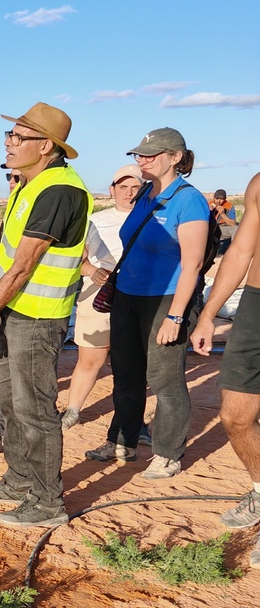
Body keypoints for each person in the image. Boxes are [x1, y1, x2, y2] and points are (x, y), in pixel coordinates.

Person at [0, 103, 91, 529]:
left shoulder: (59, 191)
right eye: (9, 136)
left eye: (18, 137)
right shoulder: (31, 184)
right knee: (11, 401)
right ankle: (18, 481)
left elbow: (23, 266)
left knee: (35, 410)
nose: (8, 144)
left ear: (46, 145)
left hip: (39, 317)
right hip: (17, 312)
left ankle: (48, 502)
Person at [86, 128, 209, 480]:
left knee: (164, 379)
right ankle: (122, 441)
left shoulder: (188, 200)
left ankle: (168, 454)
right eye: (140, 154)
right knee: (126, 374)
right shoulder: (145, 193)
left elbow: (192, 264)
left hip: (165, 299)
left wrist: (176, 315)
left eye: (151, 154)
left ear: (175, 157)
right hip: (127, 297)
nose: (142, 159)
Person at [191, 172, 260, 545]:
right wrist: (208, 315)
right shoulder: (259, 184)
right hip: (256, 305)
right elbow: (239, 252)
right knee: (235, 416)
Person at [60, 165, 142, 427]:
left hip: (138, 296)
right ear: (112, 190)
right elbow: (76, 259)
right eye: (123, 187)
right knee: (89, 360)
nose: (129, 193)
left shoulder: (153, 220)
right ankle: (72, 411)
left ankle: (132, 421)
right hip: (99, 295)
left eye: (135, 187)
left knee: (132, 364)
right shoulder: (94, 221)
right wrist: (92, 271)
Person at [211, 188, 238, 257]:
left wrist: (222, 214)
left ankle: (234, 252)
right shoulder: (208, 205)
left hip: (222, 228)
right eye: (217, 198)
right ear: (214, 198)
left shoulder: (229, 206)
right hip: (210, 228)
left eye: (221, 199)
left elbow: (233, 224)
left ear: (225, 199)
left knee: (237, 228)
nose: (218, 201)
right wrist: (209, 212)